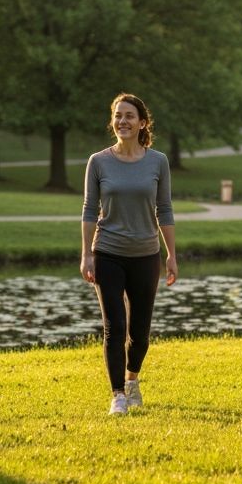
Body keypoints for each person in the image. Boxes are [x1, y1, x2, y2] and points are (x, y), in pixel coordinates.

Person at [81, 93, 177, 415]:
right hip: (107, 251)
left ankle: (133, 379)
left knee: (140, 332)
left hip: (146, 253)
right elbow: (88, 211)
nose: (123, 121)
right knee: (114, 326)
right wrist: (87, 255)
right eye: (118, 115)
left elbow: (164, 209)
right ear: (113, 121)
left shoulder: (158, 161)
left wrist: (171, 255)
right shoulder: (98, 161)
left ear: (142, 122)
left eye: (130, 116)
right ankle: (118, 395)